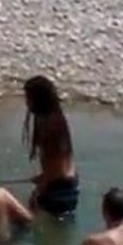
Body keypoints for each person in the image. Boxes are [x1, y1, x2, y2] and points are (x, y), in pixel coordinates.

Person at [23, 75, 79, 217]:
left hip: (58, 188)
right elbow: (60, 161)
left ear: (38, 99)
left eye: (28, 98)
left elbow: (56, 165)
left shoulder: (47, 124)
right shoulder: (57, 118)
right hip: (69, 184)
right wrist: (43, 177)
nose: (26, 103)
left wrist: (42, 186)